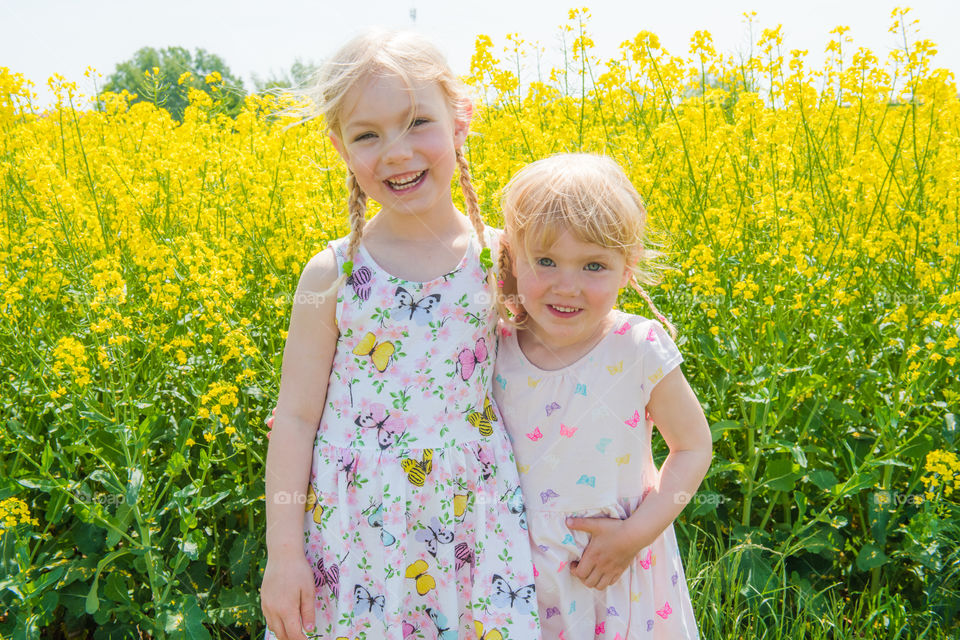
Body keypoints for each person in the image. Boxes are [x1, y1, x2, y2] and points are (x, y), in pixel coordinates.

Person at [260, 29, 539, 640]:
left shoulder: (504, 261)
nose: (395, 152)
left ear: (463, 119)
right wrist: (283, 556)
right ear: (341, 149)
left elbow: (553, 374)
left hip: (473, 520)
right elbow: (297, 419)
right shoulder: (332, 273)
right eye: (367, 135)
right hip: (356, 527)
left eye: (417, 122)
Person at [492, 153, 712, 639]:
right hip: (514, 572)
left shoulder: (636, 347)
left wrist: (633, 538)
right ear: (511, 259)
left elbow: (694, 447)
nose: (566, 286)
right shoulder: (493, 344)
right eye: (545, 261)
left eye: (593, 265)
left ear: (627, 268)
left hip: (614, 567)